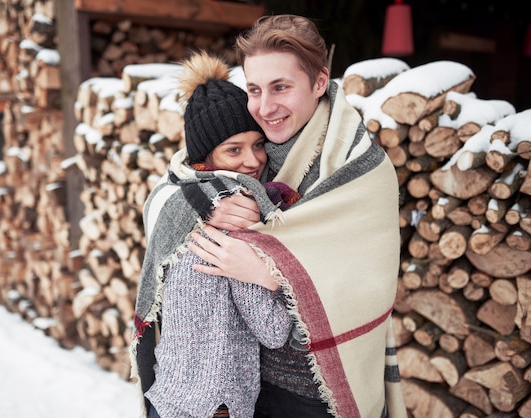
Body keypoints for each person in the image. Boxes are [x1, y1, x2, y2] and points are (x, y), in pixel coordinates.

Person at [183, 15, 407, 418]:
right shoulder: (249, 146)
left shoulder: (361, 168)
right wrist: (206, 200)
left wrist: (275, 272)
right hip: (245, 385)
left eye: (281, 87)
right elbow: (171, 185)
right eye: (254, 89)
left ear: (320, 82)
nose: (265, 107)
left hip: (317, 394)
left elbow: (372, 282)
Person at [132, 51, 300, 418]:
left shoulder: (186, 207)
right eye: (233, 150)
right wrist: (289, 278)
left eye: (258, 144)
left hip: (169, 394)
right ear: (204, 159)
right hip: (216, 407)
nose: (254, 161)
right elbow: (273, 329)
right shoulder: (232, 223)